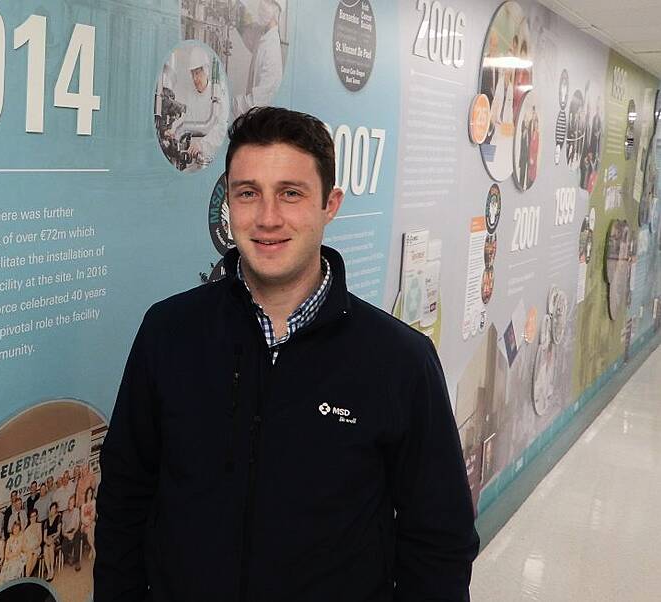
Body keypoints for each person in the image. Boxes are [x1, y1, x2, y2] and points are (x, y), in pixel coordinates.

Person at [94, 107, 479, 601]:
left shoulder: (400, 361)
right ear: (227, 204)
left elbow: (439, 543)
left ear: (330, 204)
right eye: (247, 193)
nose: (268, 217)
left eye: (291, 193)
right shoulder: (169, 333)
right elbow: (125, 496)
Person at [178, 45, 229, 168]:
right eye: (193, 74)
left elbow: (222, 129)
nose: (195, 79)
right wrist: (174, 132)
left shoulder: (218, 93)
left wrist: (202, 145)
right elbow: (186, 122)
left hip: (211, 158)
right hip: (193, 156)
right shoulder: (192, 94)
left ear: (206, 71)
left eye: (198, 73)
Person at [234, 0, 283, 116]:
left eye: (266, 1)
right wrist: (240, 9)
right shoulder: (263, 33)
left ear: (275, 8)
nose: (261, 5)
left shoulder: (272, 51)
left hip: (256, 119)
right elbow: (248, 35)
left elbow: (257, 102)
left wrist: (233, 103)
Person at [21, 509, 44, 578]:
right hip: (28, 549)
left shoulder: (39, 525)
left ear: (37, 516)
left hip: (36, 546)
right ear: (29, 518)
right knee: (30, 553)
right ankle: (28, 577)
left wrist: (35, 546)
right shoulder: (26, 529)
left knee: (35, 554)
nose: (33, 518)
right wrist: (27, 549)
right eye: (31, 516)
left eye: (34, 516)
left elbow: (40, 539)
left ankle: (27, 577)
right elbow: (23, 543)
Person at [61, 494, 81, 569]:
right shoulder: (64, 513)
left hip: (75, 530)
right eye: (69, 502)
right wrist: (66, 535)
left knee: (76, 542)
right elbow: (62, 530)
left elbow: (77, 524)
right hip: (67, 533)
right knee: (63, 546)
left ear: (74, 503)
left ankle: (77, 562)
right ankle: (70, 557)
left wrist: (73, 533)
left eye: (72, 502)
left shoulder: (76, 510)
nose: (70, 504)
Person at [43, 502, 62, 580]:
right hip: (48, 539)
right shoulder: (46, 521)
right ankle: (48, 570)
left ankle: (52, 569)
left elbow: (58, 532)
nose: (53, 510)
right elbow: (44, 536)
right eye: (52, 508)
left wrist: (52, 539)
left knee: (51, 547)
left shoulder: (59, 517)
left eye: (54, 508)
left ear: (56, 509)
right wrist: (46, 540)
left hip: (55, 538)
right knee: (45, 549)